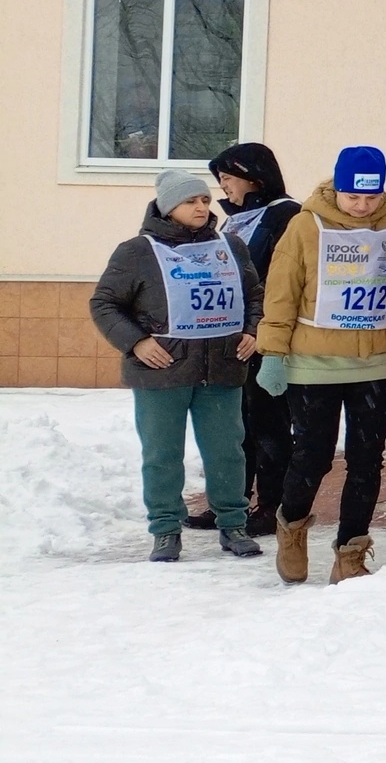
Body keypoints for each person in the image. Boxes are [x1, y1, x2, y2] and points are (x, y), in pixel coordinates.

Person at [256, 146, 386, 585]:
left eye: (370, 198)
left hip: (377, 360)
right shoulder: (305, 226)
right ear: (338, 187)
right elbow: (280, 292)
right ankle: (291, 525)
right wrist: (272, 353)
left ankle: (351, 549)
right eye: (353, 197)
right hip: (315, 362)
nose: (362, 206)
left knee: (367, 459)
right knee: (312, 457)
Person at [91, 170, 266, 562]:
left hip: (221, 367)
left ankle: (233, 525)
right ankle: (166, 530)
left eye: (205, 200)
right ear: (169, 206)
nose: (202, 207)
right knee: (161, 454)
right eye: (191, 202)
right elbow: (104, 303)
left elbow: (255, 294)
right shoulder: (137, 251)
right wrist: (136, 341)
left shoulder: (230, 245)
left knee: (227, 452)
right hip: (161, 371)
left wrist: (254, 330)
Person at [190, 142, 300, 536]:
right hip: (231, 336)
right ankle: (229, 503)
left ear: (254, 176)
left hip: (266, 335)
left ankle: (272, 504)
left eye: (228, 179)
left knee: (269, 425)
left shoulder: (286, 214)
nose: (224, 190)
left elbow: (283, 278)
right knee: (235, 426)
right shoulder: (234, 220)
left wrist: (261, 327)